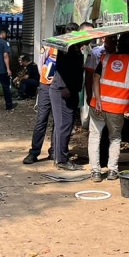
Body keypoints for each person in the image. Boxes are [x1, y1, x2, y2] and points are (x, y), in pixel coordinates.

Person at [88, 35, 129, 182]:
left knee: (95, 136)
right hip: (117, 108)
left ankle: (95, 172)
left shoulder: (105, 59)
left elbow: (95, 78)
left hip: (98, 106)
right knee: (115, 138)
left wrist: (98, 99)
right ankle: (112, 171)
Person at [51, 34, 84, 170]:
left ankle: (59, 156)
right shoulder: (67, 49)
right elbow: (61, 67)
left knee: (63, 126)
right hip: (63, 91)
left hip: (70, 90)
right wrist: (64, 86)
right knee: (64, 126)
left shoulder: (76, 49)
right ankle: (61, 160)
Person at [22, 46, 57, 164]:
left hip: (60, 88)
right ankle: (34, 152)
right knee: (41, 119)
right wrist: (46, 80)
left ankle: (54, 151)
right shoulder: (50, 47)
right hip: (46, 86)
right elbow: (41, 64)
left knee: (58, 121)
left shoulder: (73, 49)